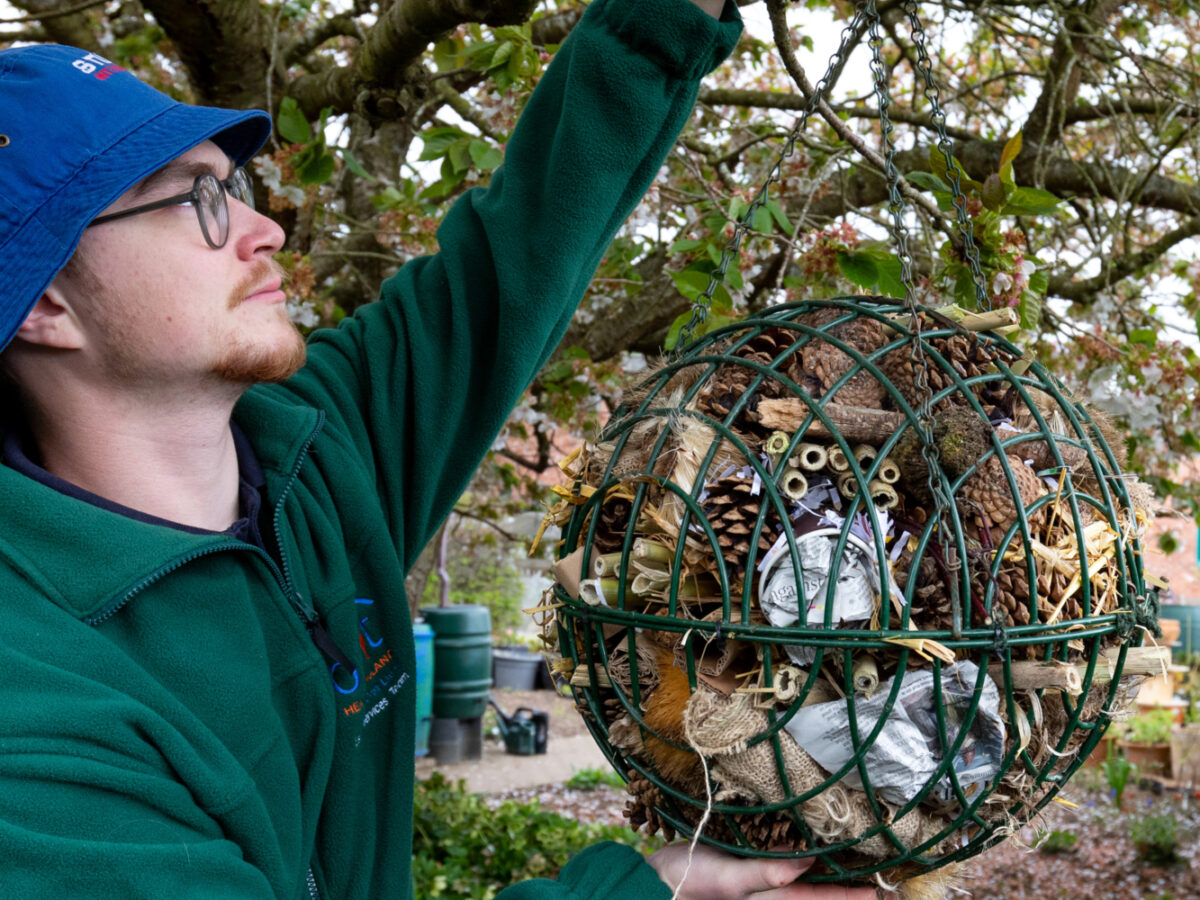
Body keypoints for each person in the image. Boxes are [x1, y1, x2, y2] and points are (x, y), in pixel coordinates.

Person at [0, 0, 876, 897]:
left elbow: (520, 248)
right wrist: (645, 891)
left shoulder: (313, 445)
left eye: (236, 186)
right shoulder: (32, 720)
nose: (266, 233)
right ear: (44, 305)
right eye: (198, 201)